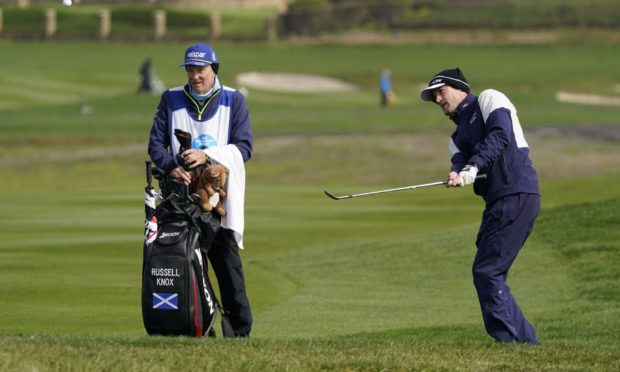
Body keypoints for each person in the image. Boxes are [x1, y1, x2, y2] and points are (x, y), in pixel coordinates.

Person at [420, 68, 540, 344]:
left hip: (516, 192)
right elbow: (458, 161)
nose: (438, 100)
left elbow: (500, 135)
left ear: (460, 88)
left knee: (487, 271)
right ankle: (523, 341)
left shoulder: (489, 99)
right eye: (434, 96)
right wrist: (457, 173)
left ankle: (513, 341)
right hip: (498, 201)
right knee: (487, 269)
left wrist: (473, 167)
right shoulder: (455, 138)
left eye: (441, 91)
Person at [148, 43, 253, 337]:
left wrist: (208, 157)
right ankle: (191, 328)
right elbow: (155, 145)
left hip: (218, 200)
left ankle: (239, 333)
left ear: (213, 69)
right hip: (179, 200)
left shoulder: (234, 100)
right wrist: (171, 165)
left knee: (229, 269)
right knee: (184, 265)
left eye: (201, 70)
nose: (195, 76)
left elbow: (244, 148)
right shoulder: (170, 99)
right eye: (190, 70)